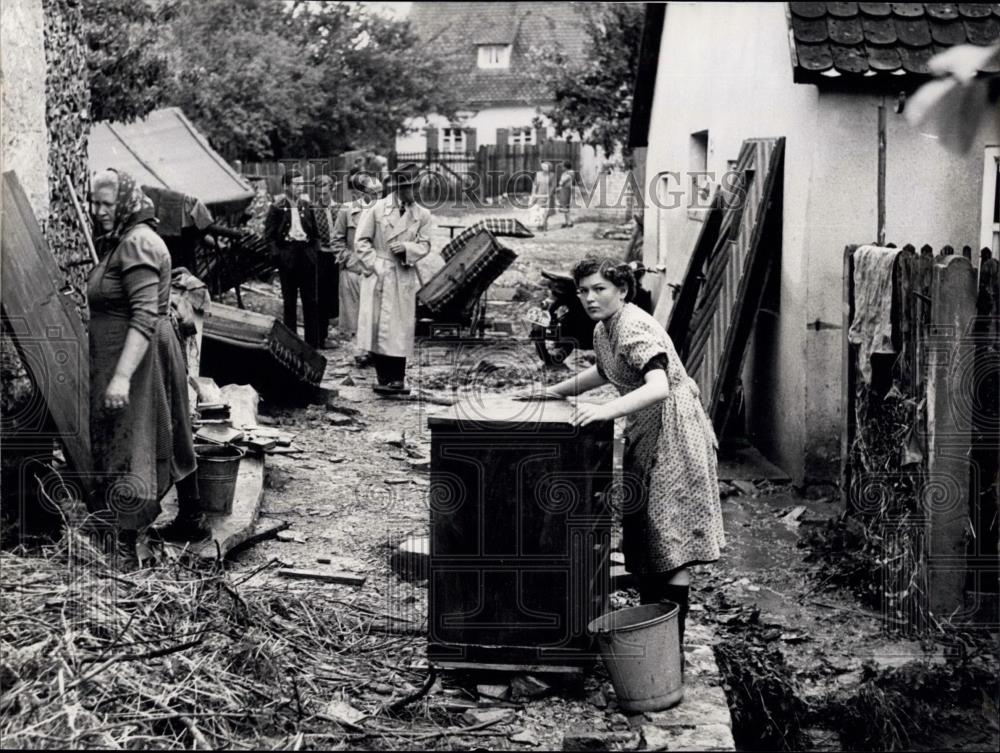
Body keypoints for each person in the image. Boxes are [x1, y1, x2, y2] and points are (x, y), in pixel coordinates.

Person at [517, 257, 725, 674]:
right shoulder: (604, 328)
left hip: (675, 429)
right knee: (649, 532)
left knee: (670, 537)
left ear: (623, 291)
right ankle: (655, 639)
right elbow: (602, 370)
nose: (591, 298)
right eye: (584, 291)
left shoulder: (632, 325)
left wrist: (605, 411)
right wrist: (551, 393)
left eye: (600, 289)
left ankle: (670, 655)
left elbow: (659, 386)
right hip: (648, 428)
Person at [87, 168, 209, 560]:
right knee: (166, 431)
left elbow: (142, 316)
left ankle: (125, 540)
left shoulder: (138, 243)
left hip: (138, 358)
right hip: (138, 353)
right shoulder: (124, 239)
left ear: (123, 201)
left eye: (106, 203)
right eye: (94, 202)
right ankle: (189, 517)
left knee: (137, 440)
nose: (98, 210)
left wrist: (122, 377)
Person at [354, 162, 432, 394]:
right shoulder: (377, 209)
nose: (415, 192)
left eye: (417, 186)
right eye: (411, 187)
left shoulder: (422, 214)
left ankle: (398, 378)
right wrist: (375, 264)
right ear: (400, 187)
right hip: (379, 272)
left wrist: (407, 248)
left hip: (403, 273)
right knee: (379, 326)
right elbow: (361, 241)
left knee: (400, 328)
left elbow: (426, 244)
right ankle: (383, 378)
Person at [264, 170, 322, 347]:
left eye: (301, 184)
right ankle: (292, 343)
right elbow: (269, 236)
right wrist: (279, 256)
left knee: (311, 300)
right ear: (286, 186)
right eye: (296, 184)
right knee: (289, 302)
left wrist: (314, 253)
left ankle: (313, 343)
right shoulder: (277, 207)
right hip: (288, 256)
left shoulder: (306, 205)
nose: (300, 187)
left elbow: (316, 234)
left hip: (306, 255)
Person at [332, 171, 380, 366]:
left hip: (375, 270)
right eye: (373, 192)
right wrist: (348, 259)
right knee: (354, 315)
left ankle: (374, 352)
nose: (378, 196)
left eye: (380, 192)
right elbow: (336, 240)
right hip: (353, 270)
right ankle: (359, 352)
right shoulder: (347, 211)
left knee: (375, 315)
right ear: (361, 193)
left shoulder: (384, 211)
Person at [311, 174, 341, 347]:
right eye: (319, 194)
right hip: (320, 257)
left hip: (337, 256)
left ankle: (337, 332)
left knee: (335, 296)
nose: (322, 197)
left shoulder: (341, 210)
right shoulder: (313, 211)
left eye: (325, 193)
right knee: (320, 296)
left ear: (333, 190)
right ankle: (320, 337)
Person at [530, 161, 556, 231]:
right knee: (539, 210)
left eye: (546, 167)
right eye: (543, 166)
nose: (544, 168)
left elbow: (553, 186)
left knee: (546, 211)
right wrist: (533, 194)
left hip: (547, 195)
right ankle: (539, 225)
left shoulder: (552, 175)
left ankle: (544, 224)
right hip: (539, 195)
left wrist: (549, 195)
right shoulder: (538, 174)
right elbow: (535, 185)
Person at [556, 160, 577, 228]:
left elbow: (561, 182)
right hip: (564, 189)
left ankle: (569, 222)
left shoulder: (569, 173)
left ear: (566, 167)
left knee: (565, 207)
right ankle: (567, 221)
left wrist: (560, 183)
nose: (562, 168)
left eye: (563, 166)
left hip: (566, 190)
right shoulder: (567, 173)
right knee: (564, 207)